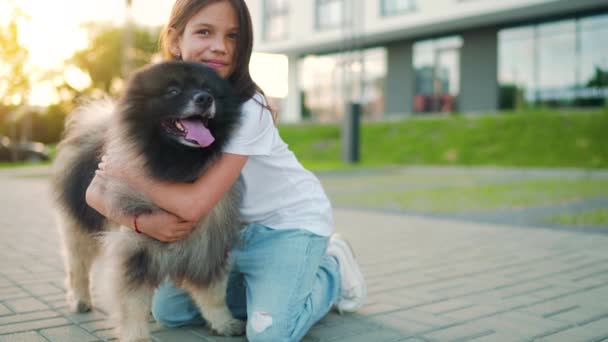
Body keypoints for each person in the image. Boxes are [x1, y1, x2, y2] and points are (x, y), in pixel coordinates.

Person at [85, 0, 366, 341]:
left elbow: (192, 206)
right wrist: (141, 222)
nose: (220, 46)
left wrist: (132, 174)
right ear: (176, 40)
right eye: (205, 32)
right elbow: (95, 193)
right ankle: (267, 286)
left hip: (288, 226)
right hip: (229, 234)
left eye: (233, 36)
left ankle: (330, 271)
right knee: (170, 313)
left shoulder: (248, 108)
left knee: (269, 334)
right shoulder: (153, 99)